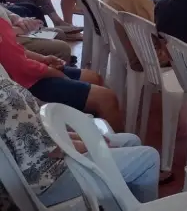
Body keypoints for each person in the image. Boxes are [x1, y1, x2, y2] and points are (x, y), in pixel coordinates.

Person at [0, 76, 159, 208]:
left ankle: (125, 204)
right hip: (47, 182)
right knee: (148, 158)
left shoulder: (5, 86)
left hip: (43, 172)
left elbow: (39, 131)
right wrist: (91, 143)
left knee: (131, 140)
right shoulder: (6, 96)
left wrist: (85, 137)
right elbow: (45, 151)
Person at [0, 16, 123, 131]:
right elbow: (21, 68)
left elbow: (15, 49)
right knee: (107, 98)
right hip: (23, 86)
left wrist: (43, 59)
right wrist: (53, 72)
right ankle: (118, 148)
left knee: (93, 78)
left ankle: (94, 131)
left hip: (26, 75)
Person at [0, 4, 73, 61]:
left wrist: (15, 17)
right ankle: (49, 76)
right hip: (5, 38)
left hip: (10, 26)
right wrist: (22, 29)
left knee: (59, 33)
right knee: (62, 48)